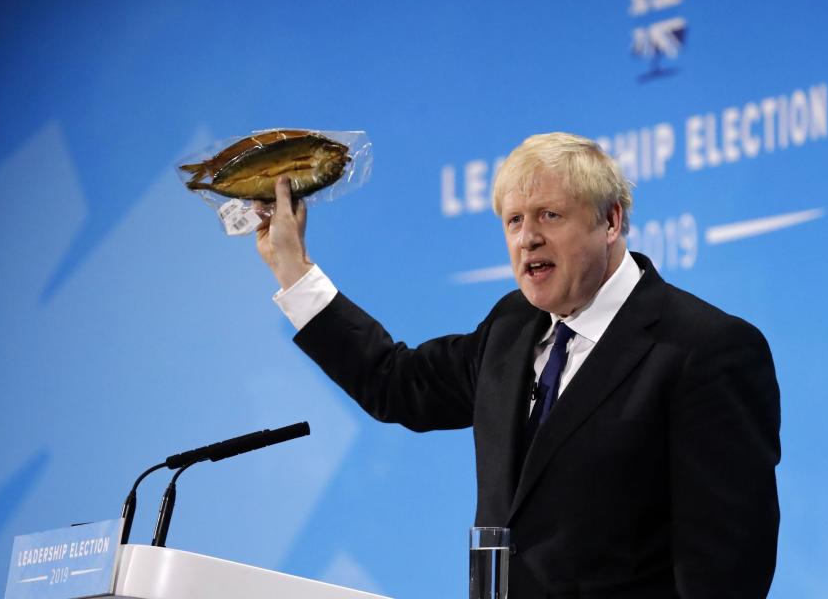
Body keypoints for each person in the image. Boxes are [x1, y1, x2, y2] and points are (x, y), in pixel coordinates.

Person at [256, 132, 781, 598]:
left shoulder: (703, 349)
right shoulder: (511, 328)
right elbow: (396, 384)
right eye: (513, 220)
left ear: (612, 220)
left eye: (549, 215)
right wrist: (293, 270)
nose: (527, 237)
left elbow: (727, 570)